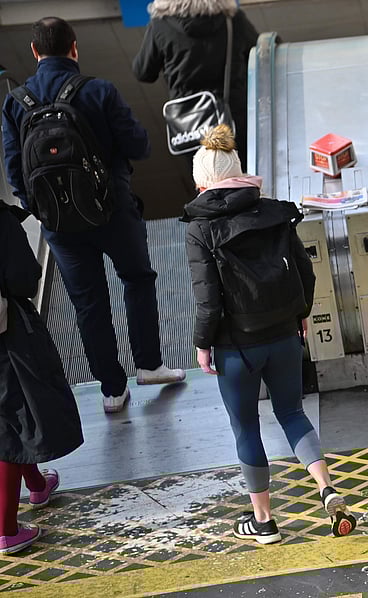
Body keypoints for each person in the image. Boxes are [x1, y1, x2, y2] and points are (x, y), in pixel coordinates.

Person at [1, 17, 186, 414]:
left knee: (88, 303)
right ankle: (150, 364)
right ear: (74, 48)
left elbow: (15, 170)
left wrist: (44, 209)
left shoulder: (15, 103)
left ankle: (112, 390)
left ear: (34, 52)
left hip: (59, 225)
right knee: (137, 279)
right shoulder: (99, 90)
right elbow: (139, 146)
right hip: (113, 210)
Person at [182, 125, 356, 543]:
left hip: (234, 345)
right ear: (239, 173)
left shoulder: (198, 229)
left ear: (203, 181)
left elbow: (207, 298)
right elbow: (305, 268)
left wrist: (202, 343)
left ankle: (263, 522)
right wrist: (299, 315)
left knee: (246, 426)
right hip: (283, 333)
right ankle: (326, 487)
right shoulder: (276, 211)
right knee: (293, 414)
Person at [0, 201, 83, 555]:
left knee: (15, 415)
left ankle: (35, 483)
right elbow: (24, 277)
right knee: (13, 419)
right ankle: (5, 528)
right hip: (6, 337)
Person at [133, 0, 259, 167]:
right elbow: (259, 54)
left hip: (190, 124)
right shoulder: (232, 20)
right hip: (232, 117)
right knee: (242, 173)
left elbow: (143, 72)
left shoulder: (160, 26)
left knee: (204, 179)